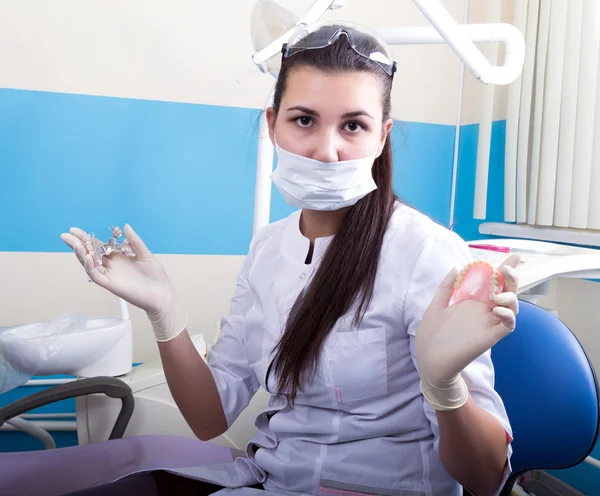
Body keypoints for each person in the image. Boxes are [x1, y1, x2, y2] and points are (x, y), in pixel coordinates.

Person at [61, 22, 519, 496]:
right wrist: (164, 311)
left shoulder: (426, 253)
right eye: (304, 120)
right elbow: (208, 416)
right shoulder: (267, 249)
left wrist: (444, 387)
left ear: (381, 137)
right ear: (271, 124)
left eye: (353, 125)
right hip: (271, 481)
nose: (326, 150)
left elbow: (486, 479)